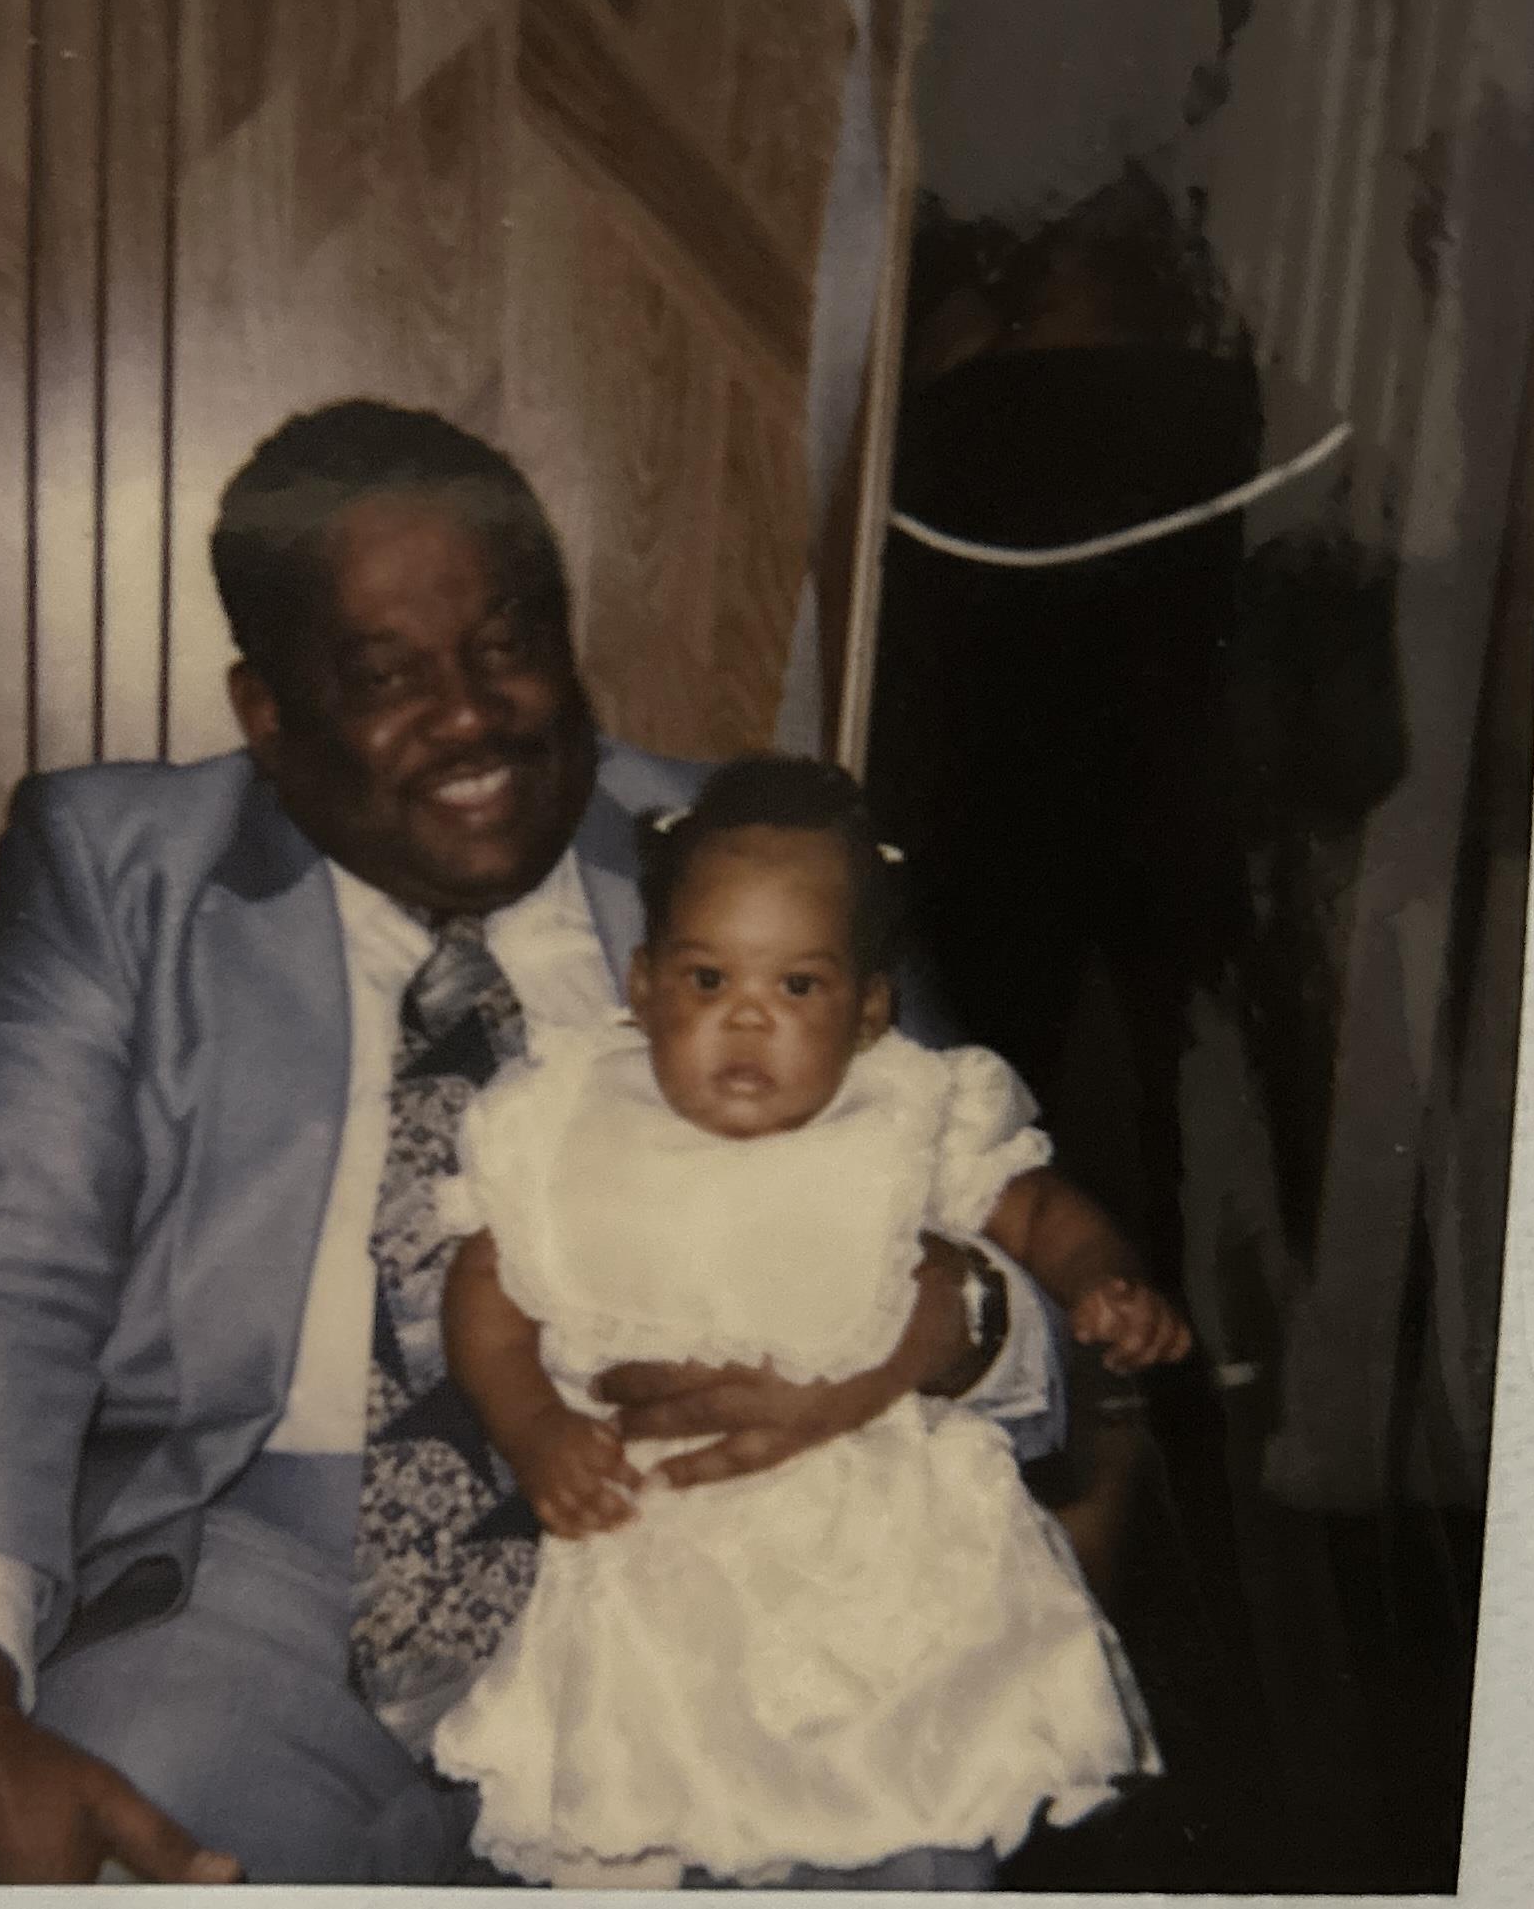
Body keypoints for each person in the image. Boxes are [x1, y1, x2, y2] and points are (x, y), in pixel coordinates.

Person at [0, 400, 1068, 1886]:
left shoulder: (757, 872)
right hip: (264, 1570)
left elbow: (992, 1207)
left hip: (728, 1554)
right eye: (385, 676)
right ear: (265, 710)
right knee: (132, 1826)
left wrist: (963, 1321)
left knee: (900, 1859)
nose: (471, 713)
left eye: (506, 644)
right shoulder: (118, 871)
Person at [434, 756, 1191, 1889]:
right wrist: (533, 1427)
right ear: (639, 985)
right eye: (705, 978)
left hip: (892, 1566)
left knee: (918, 1811)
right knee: (637, 1818)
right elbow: (484, 1291)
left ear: (869, 1008)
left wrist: (1102, 1278)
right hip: (660, 1561)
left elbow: (1033, 1208)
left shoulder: (905, 1109)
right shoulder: (570, 1119)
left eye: (797, 986)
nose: (747, 1016)